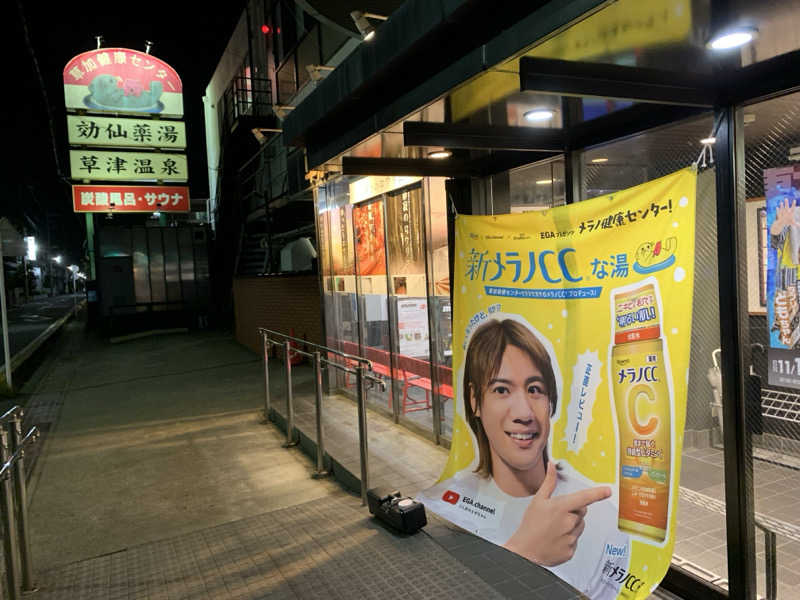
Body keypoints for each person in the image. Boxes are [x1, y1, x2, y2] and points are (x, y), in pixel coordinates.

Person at [419, 318, 630, 599]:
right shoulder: (449, 505)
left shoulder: (601, 518)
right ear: (474, 400)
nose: (524, 413)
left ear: (550, 402)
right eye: (502, 390)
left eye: (534, 390)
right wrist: (526, 551)